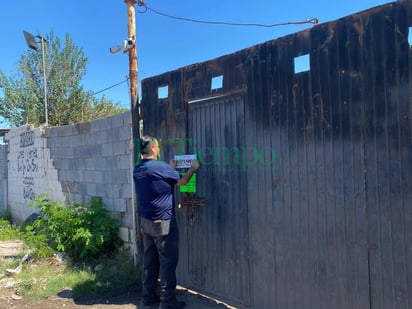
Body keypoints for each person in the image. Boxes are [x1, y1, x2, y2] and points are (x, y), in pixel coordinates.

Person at [133, 135, 199, 309]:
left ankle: (147, 298)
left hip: (146, 222)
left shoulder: (138, 169)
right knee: (167, 263)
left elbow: (158, 180)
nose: (159, 149)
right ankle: (167, 303)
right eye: (158, 146)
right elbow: (183, 181)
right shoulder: (160, 167)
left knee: (150, 262)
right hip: (163, 223)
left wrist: (170, 168)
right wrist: (193, 168)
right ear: (153, 148)